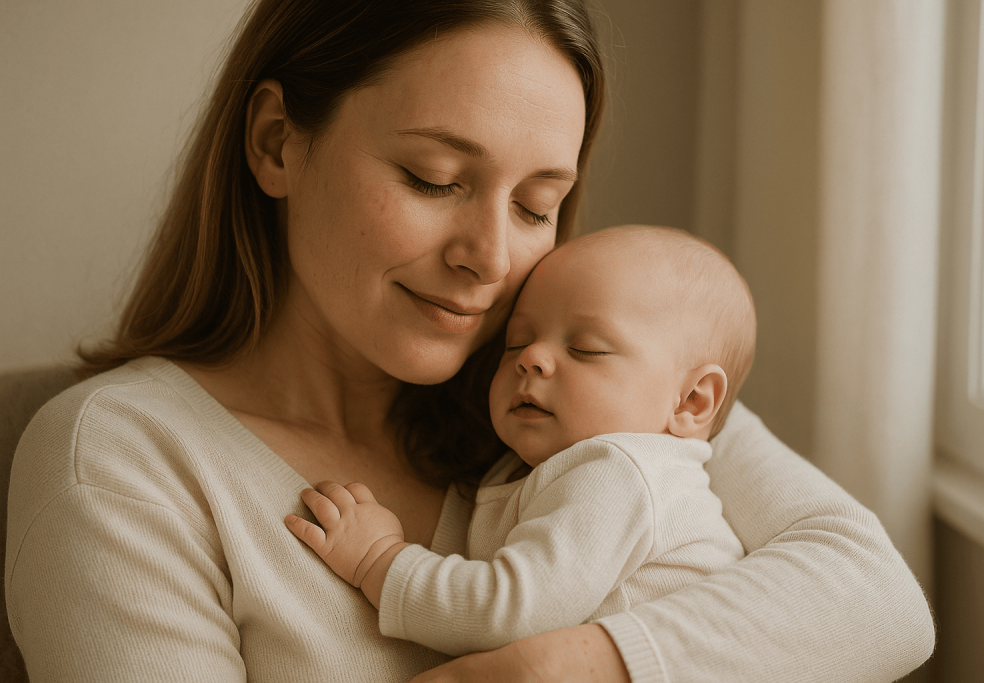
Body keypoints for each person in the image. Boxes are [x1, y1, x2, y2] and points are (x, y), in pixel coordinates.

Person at [5, 1, 934, 682]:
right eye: (434, 177)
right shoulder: (122, 458)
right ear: (278, 141)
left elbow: (881, 601)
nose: (490, 259)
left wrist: (572, 666)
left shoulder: (583, 389)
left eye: (537, 205)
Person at [286, 225, 753, 656]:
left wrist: (379, 560)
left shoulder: (619, 473)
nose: (532, 358)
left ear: (691, 401)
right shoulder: (539, 462)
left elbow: (506, 613)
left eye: (585, 349)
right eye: (516, 342)